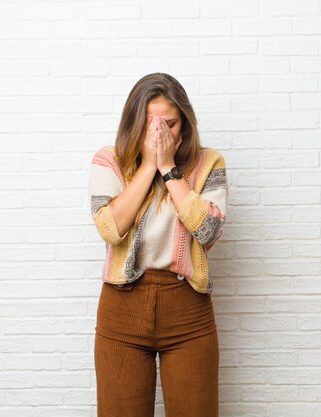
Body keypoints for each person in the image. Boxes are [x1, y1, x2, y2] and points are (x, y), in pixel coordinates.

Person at [88, 73, 228, 417]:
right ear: (134, 124)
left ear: (186, 124)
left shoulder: (210, 163)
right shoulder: (110, 160)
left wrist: (167, 167)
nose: (161, 134)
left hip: (188, 313)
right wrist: (148, 165)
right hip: (121, 312)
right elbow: (109, 227)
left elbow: (208, 231)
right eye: (151, 125)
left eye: (170, 124)